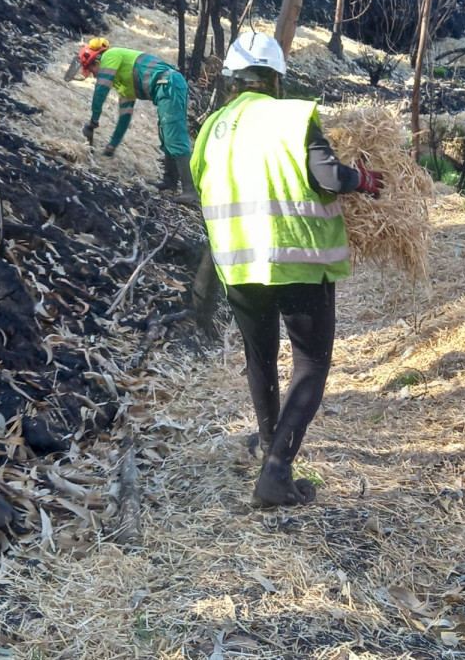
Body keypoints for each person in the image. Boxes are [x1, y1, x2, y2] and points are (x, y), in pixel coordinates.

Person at [189, 32, 384, 507]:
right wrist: (365, 179)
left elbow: (200, 185)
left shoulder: (212, 126)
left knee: (261, 359)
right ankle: (276, 470)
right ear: (276, 78)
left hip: (237, 263)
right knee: (311, 363)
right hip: (298, 259)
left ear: (233, 79)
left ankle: (268, 453)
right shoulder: (293, 115)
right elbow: (329, 178)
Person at [77, 37, 198, 202]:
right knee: (166, 134)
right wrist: (112, 145)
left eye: (91, 70)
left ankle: (190, 191)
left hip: (168, 84)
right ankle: (170, 182)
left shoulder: (110, 56)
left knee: (173, 134)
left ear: (96, 61)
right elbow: (125, 117)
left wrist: (93, 121)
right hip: (166, 87)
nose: (93, 74)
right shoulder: (123, 81)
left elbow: (101, 90)